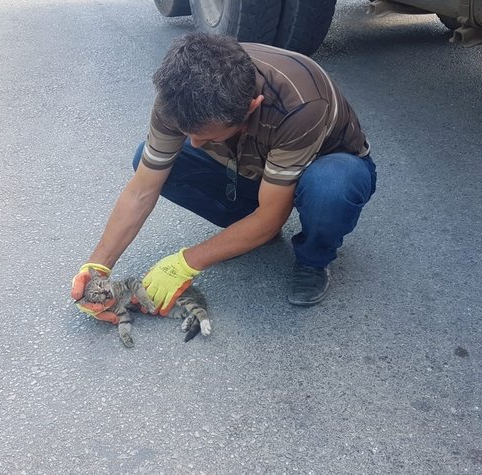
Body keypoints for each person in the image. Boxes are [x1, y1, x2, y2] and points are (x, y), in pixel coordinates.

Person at [71, 33, 376, 321]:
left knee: (332, 187)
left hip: (323, 163)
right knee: (148, 160)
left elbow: (273, 215)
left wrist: (186, 262)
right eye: (186, 131)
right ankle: (250, 232)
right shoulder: (176, 96)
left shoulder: (301, 105)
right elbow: (141, 190)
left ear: (251, 107)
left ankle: (313, 258)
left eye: (205, 135)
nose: (194, 143)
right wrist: (98, 267)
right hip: (255, 164)